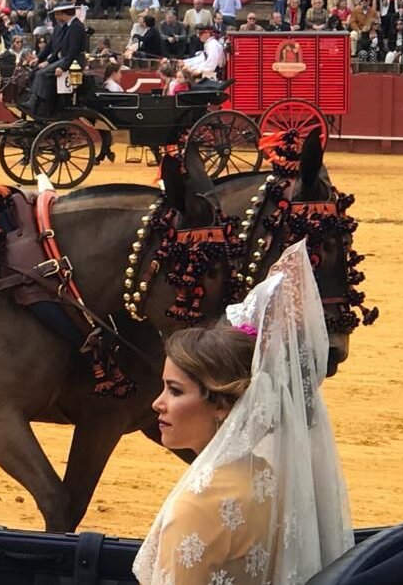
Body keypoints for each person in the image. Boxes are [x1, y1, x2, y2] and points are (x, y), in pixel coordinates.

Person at [133, 241, 354, 585]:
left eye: (175, 391)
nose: (157, 404)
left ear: (221, 404)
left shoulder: (197, 504)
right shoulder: (267, 477)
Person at [23, 1, 87, 117]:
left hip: (73, 62)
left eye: (57, 14)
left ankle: (38, 104)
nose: (56, 17)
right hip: (63, 59)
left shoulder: (76, 26)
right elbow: (52, 46)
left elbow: (73, 51)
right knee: (36, 70)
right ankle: (33, 101)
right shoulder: (63, 27)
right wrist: (40, 58)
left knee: (42, 73)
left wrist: (62, 67)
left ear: (63, 14)